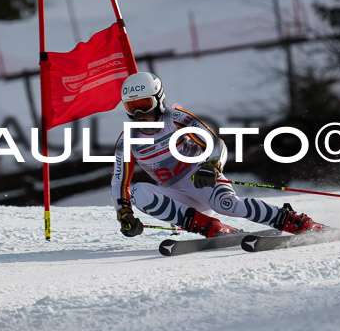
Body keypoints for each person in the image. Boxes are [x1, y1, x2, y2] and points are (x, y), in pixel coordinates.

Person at [111, 71, 326, 238]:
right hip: (177, 196)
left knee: (228, 205)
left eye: (144, 105)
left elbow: (214, 142)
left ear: (158, 99)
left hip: (201, 180)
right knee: (138, 192)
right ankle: (210, 227)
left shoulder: (175, 118)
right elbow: (120, 182)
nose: (139, 114)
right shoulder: (128, 139)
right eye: (132, 107)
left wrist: (212, 165)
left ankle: (295, 221)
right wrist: (125, 214)